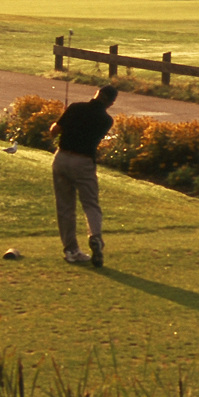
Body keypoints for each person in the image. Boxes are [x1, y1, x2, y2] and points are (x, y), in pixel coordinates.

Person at [49, 85, 118, 267]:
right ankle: (95, 236)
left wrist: (62, 122)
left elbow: (54, 131)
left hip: (62, 158)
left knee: (65, 207)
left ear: (96, 93)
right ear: (110, 103)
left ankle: (71, 250)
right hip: (84, 162)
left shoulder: (75, 107)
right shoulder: (106, 121)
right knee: (90, 204)